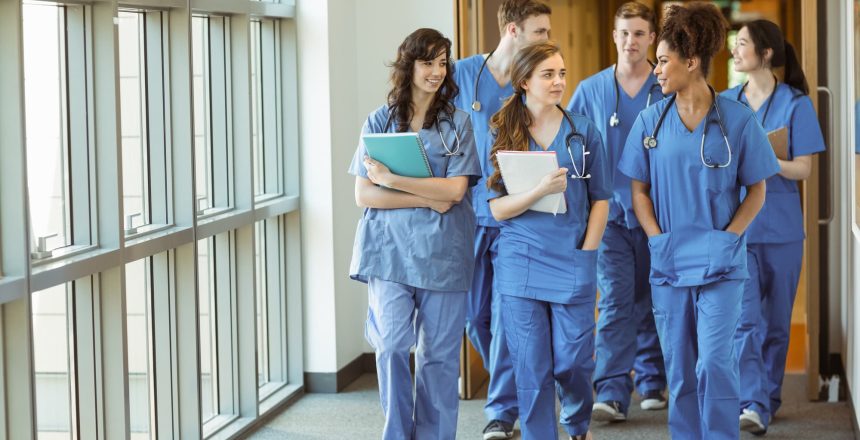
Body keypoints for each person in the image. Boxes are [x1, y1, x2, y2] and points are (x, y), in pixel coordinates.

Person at [617, 3, 781, 439]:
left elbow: (758, 190)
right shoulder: (652, 121)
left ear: (691, 63)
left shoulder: (738, 121)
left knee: (715, 362)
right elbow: (638, 191)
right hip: (670, 262)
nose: (657, 70)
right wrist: (656, 239)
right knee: (681, 369)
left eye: (665, 61)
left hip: (721, 264)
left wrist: (729, 239)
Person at [348, 28, 481, 440]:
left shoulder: (458, 124)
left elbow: (456, 191)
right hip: (389, 253)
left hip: (443, 253)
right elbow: (364, 193)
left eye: (443, 63)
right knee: (389, 347)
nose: (437, 71)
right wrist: (426, 196)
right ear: (409, 65)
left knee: (438, 359)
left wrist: (393, 180)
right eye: (428, 62)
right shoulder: (379, 121)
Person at [486, 41, 611, 440]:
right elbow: (497, 209)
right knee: (531, 366)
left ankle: (576, 423)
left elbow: (601, 200)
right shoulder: (502, 131)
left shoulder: (583, 131)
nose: (559, 81)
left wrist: (588, 253)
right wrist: (539, 190)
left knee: (573, 361)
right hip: (520, 259)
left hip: (572, 257)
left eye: (561, 73)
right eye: (548, 74)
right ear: (524, 81)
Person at [452, 1, 551, 438]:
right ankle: (522, 384)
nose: (547, 40)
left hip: (515, 215)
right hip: (469, 214)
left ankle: (501, 409)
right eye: (539, 31)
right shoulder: (463, 74)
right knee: (475, 317)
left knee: (508, 312)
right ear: (513, 30)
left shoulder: (534, 80)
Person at [723, 19, 826, 435]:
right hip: (740, 227)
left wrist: (764, 159)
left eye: (742, 43)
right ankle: (753, 402)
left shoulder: (796, 104)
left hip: (783, 231)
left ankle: (767, 396)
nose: (735, 50)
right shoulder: (726, 103)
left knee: (777, 322)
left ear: (765, 53)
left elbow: (803, 169)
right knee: (745, 319)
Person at [566, 1, 667, 422]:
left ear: (652, 39)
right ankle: (610, 389)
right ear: (614, 36)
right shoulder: (590, 91)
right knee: (615, 301)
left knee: (654, 298)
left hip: (658, 215)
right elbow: (568, 144)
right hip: (608, 217)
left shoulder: (666, 87)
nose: (631, 42)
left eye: (640, 34)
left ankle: (651, 379)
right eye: (624, 33)